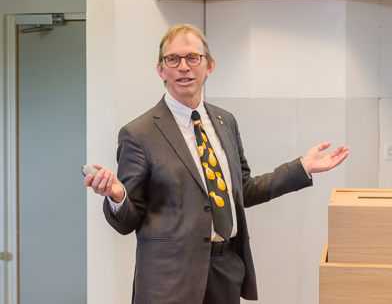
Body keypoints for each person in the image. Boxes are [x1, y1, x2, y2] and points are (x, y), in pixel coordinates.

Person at [84, 24, 349, 304]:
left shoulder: (225, 122)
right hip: (167, 281)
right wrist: (117, 196)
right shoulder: (139, 133)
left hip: (225, 271)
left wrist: (302, 168)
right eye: (172, 59)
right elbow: (129, 220)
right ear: (161, 70)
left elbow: (242, 191)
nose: (183, 67)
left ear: (209, 66)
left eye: (192, 58)